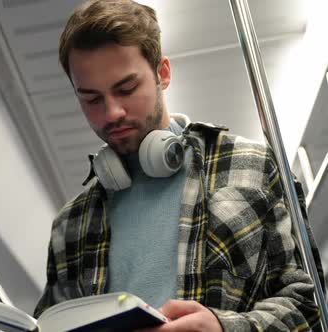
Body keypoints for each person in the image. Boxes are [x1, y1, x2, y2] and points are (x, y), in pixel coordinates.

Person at [33, 0, 325, 331]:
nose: (112, 112)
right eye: (91, 99)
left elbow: (310, 307)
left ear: (163, 73)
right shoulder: (70, 226)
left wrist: (221, 328)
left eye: (126, 88)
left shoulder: (252, 167)